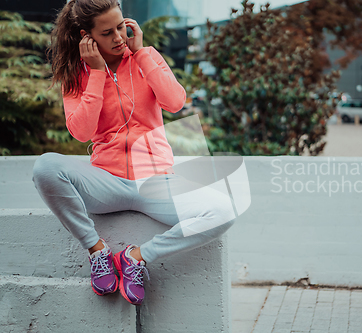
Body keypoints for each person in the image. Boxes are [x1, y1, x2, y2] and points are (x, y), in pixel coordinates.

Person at [32, 0, 236, 306]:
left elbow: (175, 102)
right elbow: (82, 132)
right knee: (45, 167)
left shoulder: (145, 57)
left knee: (224, 211)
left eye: (120, 27)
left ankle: (135, 258)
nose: (118, 37)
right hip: (107, 182)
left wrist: (141, 54)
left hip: (156, 182)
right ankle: (98, 252)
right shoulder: (77, 74)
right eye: (107, 32)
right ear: (86, 36)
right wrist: (98, 74)